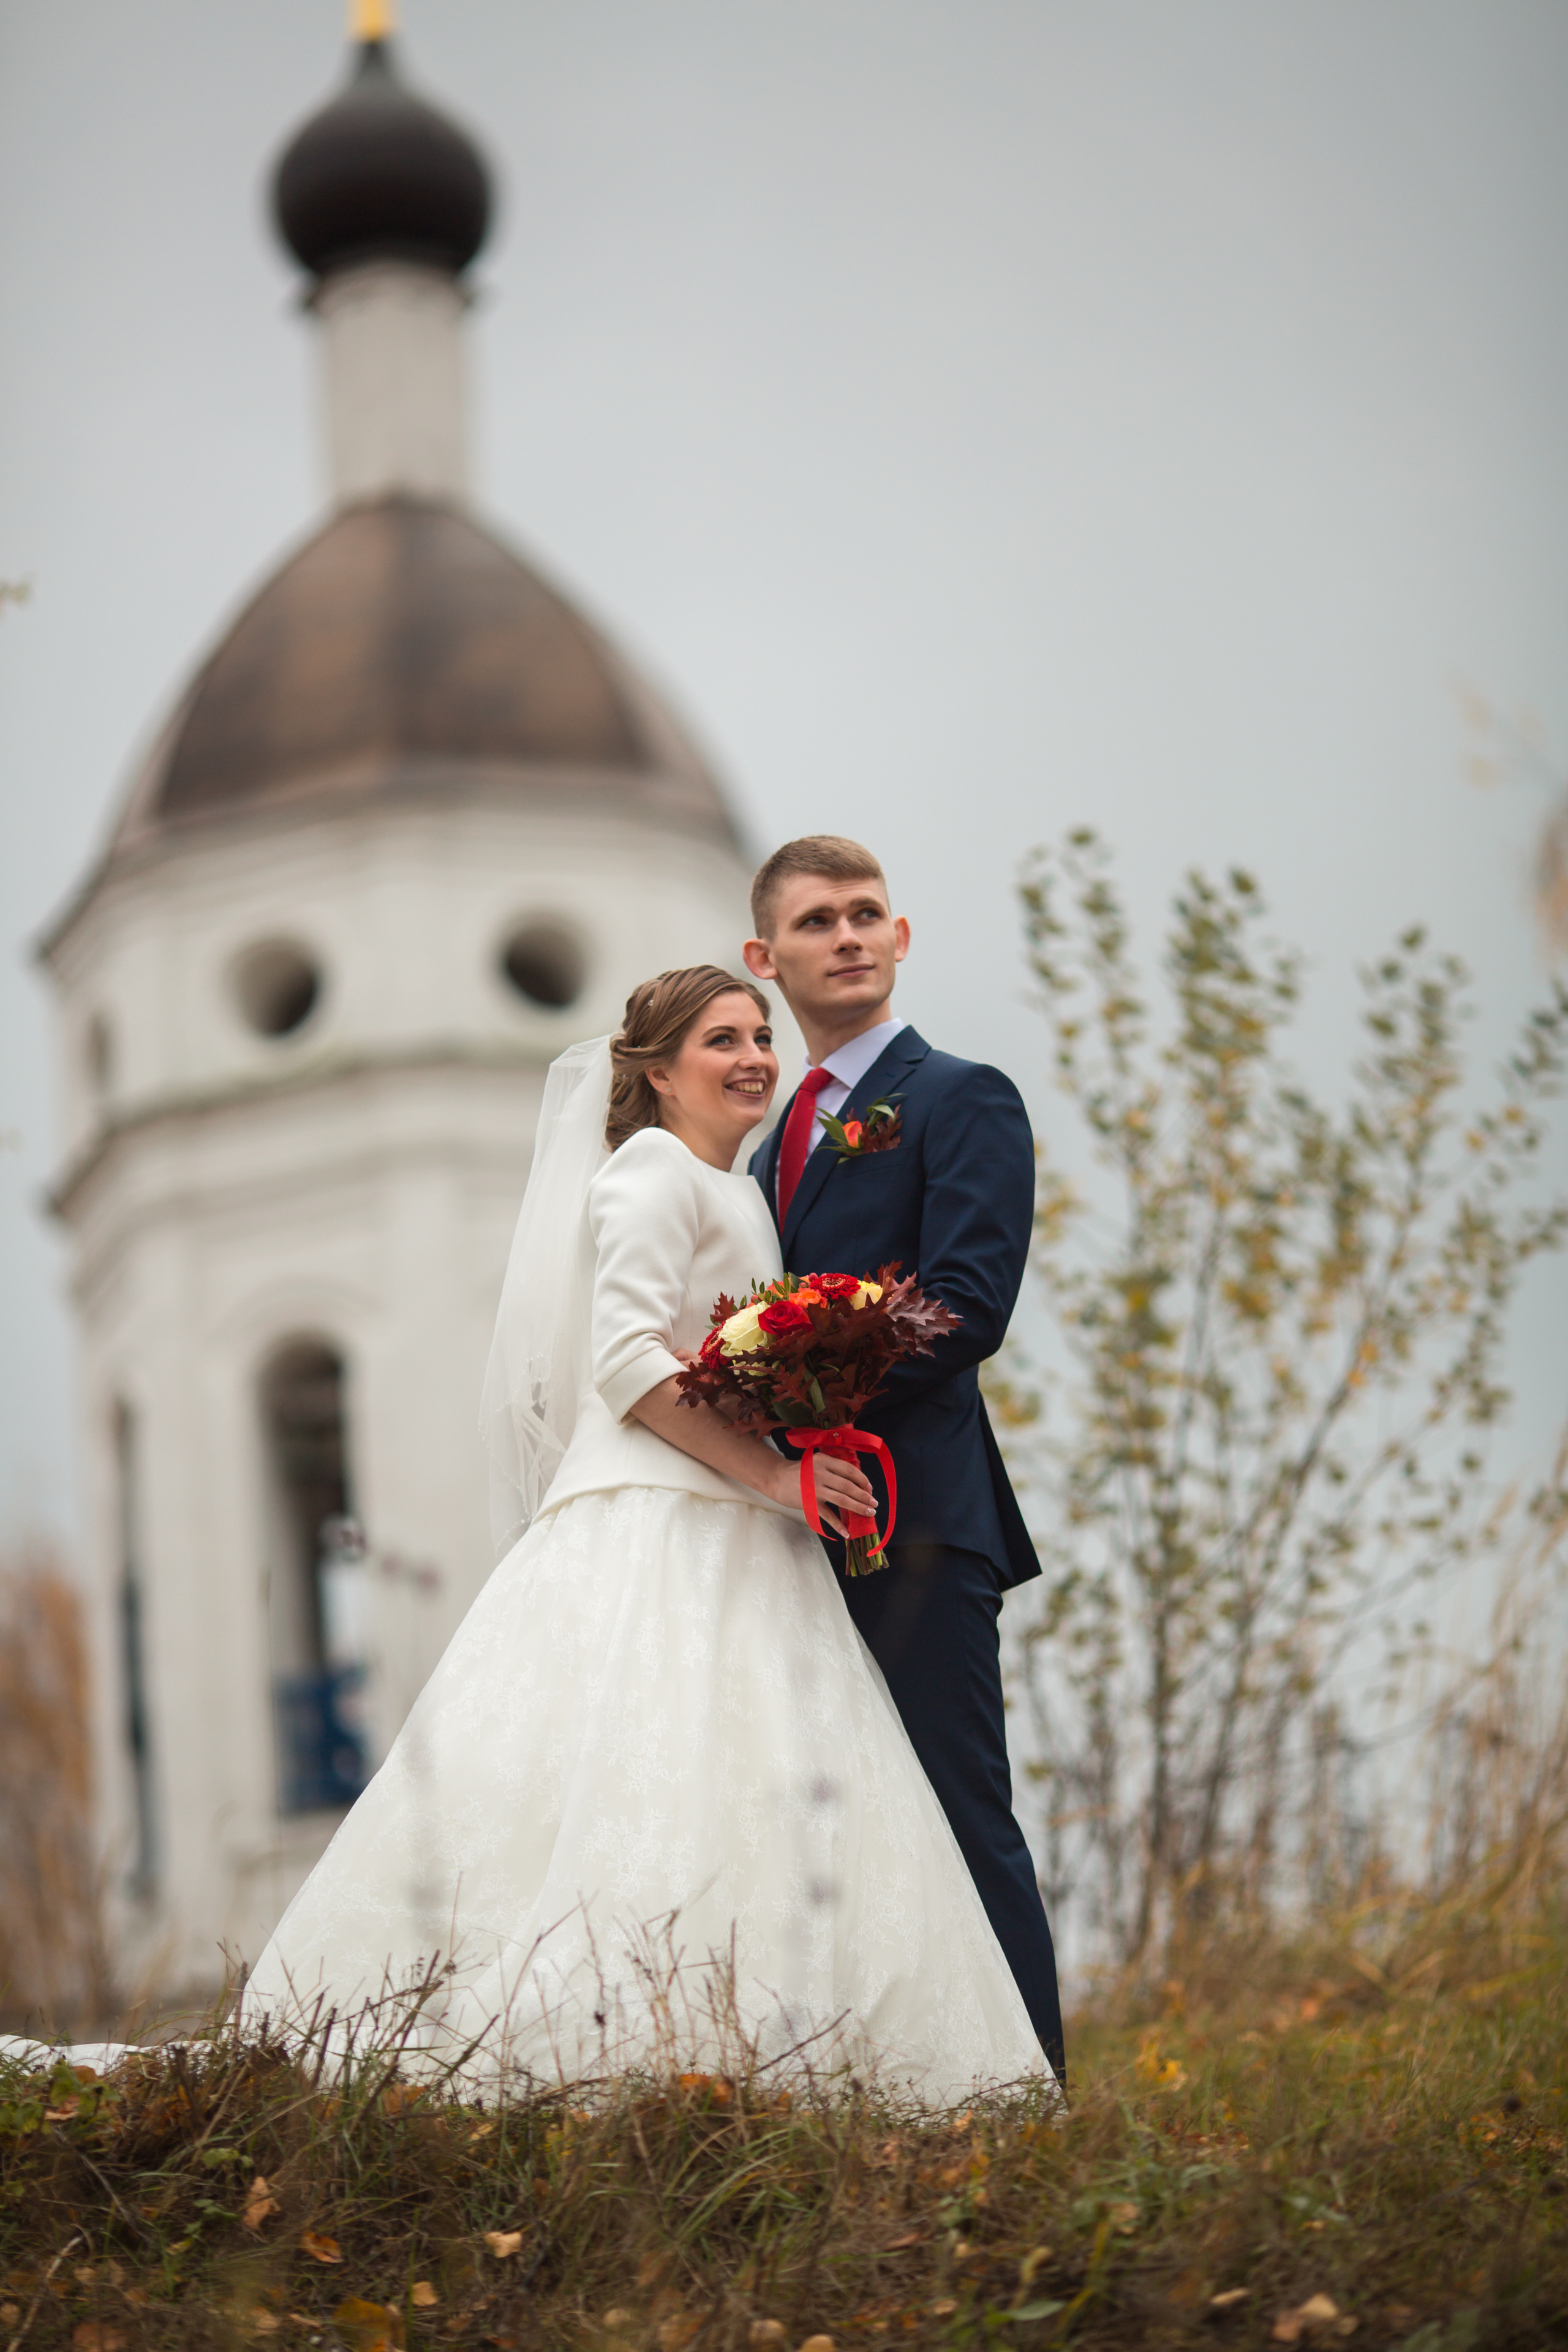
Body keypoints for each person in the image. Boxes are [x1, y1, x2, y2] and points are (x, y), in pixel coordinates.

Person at [235, 966, 1057, 2100]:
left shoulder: (745, 1191)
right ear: (658, 1071)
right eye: (722, 1039)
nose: (755, 1056)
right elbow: (626, 1361)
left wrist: (797, 1444)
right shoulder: (648, 1172)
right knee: (642, 1778)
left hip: (741, 1528)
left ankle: (754, 2056)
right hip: (659, 1516)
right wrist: (778, 1478)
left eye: (762, 1035)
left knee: (759, 1790)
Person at [744, 840, 1066, 2085]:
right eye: (817, 921)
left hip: (914, 1514)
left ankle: (1030, 2089)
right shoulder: (768, 1133)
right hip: (783, 1527)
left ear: (900, 937)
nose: (848, 936)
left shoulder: (958, 1097)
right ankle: (884, 2082)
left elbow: (964, 1304)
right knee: (832, 1825)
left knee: (953, 1807)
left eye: (866, 914)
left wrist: (790, 1395)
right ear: (765, 960)